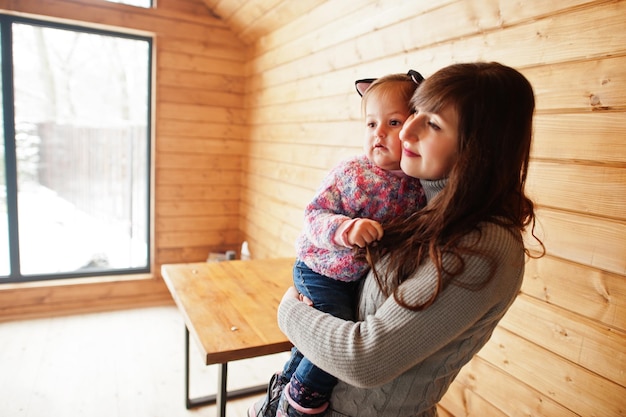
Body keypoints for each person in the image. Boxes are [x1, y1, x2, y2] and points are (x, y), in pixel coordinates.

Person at [262, 61, 545, 417]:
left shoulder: (482, 244)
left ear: (479, 149)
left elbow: (366, 360)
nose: (406, 133)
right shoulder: (424, 209)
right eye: (415, 114)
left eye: (433, 124)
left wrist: (289, 310)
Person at [249, 71, 427, 417]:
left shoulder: (418, 187)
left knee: (308, 344)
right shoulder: (352, 172)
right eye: (371, 124)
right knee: (333, 328)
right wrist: (345, 230)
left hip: (356, 278)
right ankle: (303, 400)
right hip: (320, 268)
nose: (379, 133)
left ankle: (279, 390)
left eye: (393, 122)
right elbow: (314, 214)